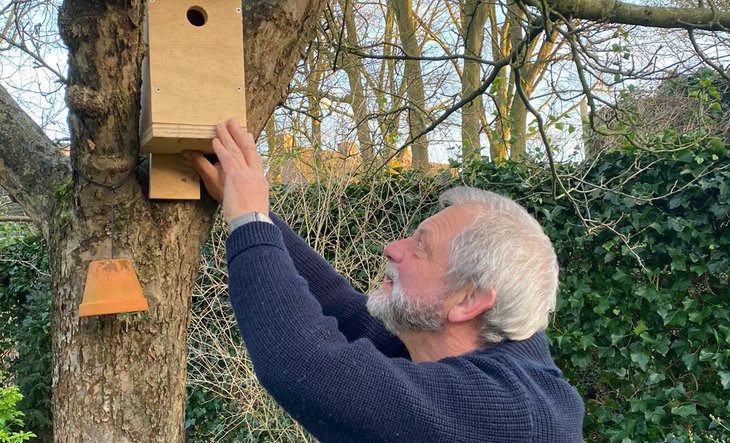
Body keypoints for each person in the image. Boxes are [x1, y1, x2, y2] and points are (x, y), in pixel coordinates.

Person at [183, 118, 585, 442]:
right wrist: (253, 209)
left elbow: (310, 368)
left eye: (421, 248)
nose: (393, 248)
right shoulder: (454, 347)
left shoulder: (510, 416)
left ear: (468, 300)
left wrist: (248, 221)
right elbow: (339, 308)